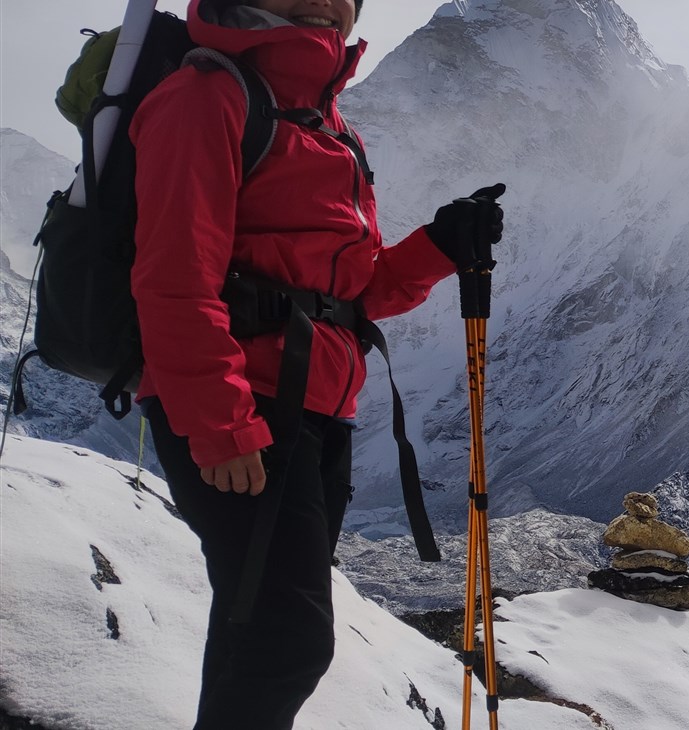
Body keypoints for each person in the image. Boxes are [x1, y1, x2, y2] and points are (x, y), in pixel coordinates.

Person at [127, 0, 503, 726]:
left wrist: (439, 244)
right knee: (286, 640)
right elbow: (174, 276)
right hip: (246, 407)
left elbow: (347, 296)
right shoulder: (207, 95)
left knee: (253, 635)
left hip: (316, 411)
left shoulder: (331, 130)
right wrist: (221, 424)